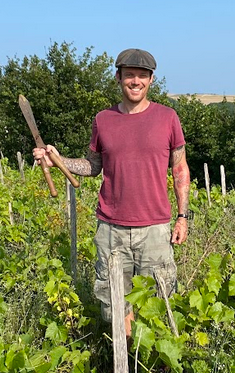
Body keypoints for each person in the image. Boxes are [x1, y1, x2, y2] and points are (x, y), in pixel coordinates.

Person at [33, 48, 190, 338]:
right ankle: (124, 358)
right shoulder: (103, 119)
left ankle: (151, 361)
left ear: (151, 80)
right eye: (129, 75)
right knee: (115, 304)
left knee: (158, 302)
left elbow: (179, 168)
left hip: (155, 229)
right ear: (118, 78)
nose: (135, 81)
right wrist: (58, 160)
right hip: (111, 230)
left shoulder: (167, 117)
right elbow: (93, 165)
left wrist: (182, 217)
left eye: (142, 76)